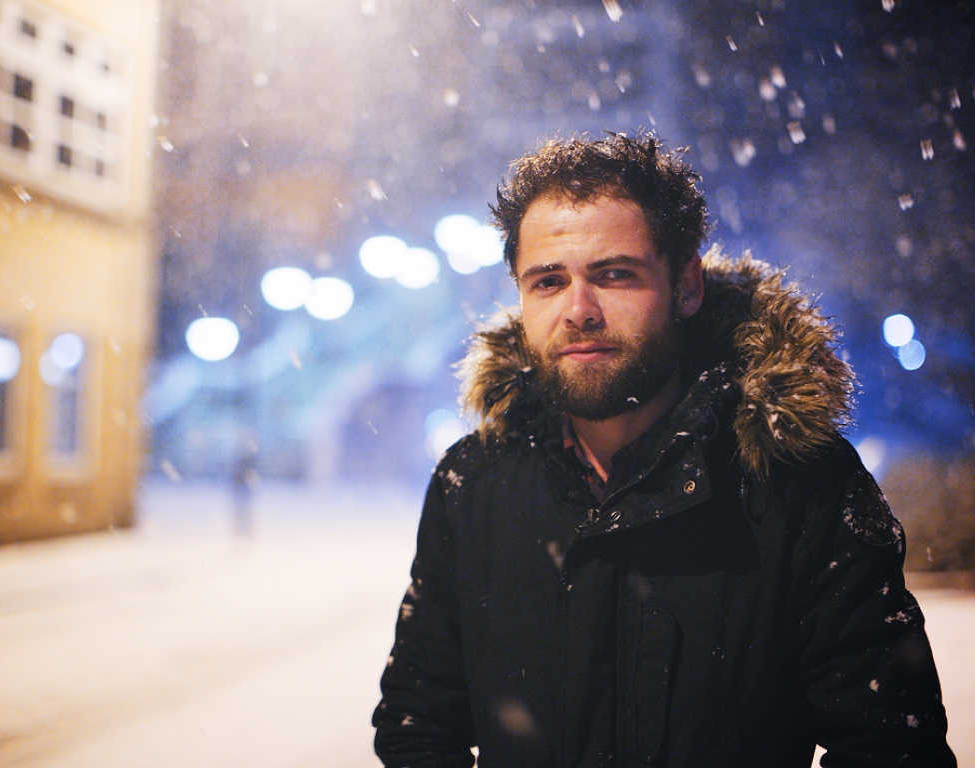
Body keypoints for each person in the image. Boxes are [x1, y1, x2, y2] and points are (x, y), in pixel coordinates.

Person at [372, 133, 956, 767]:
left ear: (686, 287)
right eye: (547, 282)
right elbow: (419, 727)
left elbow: (892, 746)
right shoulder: (474, 484)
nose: (578, 311)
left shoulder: (795, 480)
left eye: (614, 275)